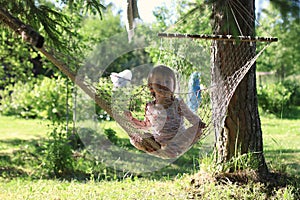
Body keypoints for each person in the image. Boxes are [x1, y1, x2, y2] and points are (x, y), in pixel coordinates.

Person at [125, 65, 206, 158]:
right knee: (135, 138)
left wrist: (199, 123)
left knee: (197, 130)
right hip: (159, 143)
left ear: (173, 86)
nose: (163, 84)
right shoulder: (150, 107)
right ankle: (152, 148)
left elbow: (192, 118)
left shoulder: (178, 103)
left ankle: (172, 150)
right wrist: (131, 119)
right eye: (158, 82)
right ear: (151, 87)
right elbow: (146, 125)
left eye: (167, 81)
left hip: (179, 140)